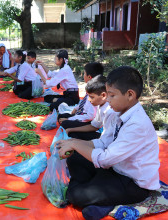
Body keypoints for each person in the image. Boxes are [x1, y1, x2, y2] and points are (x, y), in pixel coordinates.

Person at [57, 66, 160, 220]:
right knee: (74, 158)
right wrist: (73, 141)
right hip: (116, 169)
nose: (107, 100)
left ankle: (102, 199)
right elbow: (103, 141)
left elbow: (104, 159)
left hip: (133, 183)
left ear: (130, 95)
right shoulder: (119, 113)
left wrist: (76, 144)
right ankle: (98, 194)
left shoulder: (137, 124)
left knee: (75, 195)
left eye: (111, 95)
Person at [65, 75, 113, 140]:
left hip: (109, 141)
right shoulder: (100, 105)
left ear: (103, 95)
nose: (89, 100)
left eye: (91, 97)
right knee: (72, 133)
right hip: (104, 137)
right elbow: (94, 126)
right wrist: (71, 130)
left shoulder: (110, 111)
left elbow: (108, 139)